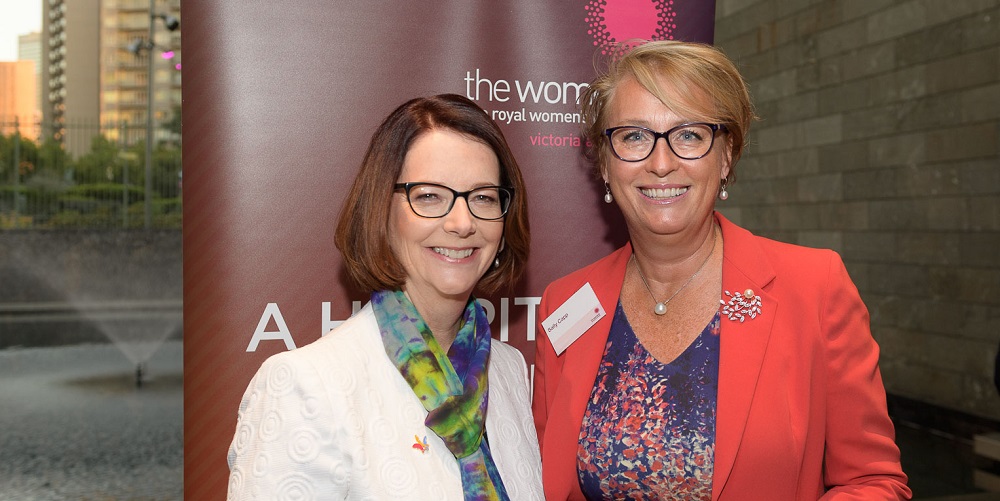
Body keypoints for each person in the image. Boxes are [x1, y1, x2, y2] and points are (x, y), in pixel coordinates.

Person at [531, 41, 911, 500]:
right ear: (606, 165)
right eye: (633, 136)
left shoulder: (814, 286)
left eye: (689, 134)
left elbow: (873, 481)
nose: (661, 162)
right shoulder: (566, 302)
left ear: (727, 156)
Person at [227, 94, 543, 500]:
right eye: (429, 195)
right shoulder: (304, 386)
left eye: (483, 197)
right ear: (382, 211)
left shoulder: (508, 372)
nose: (462, 223)